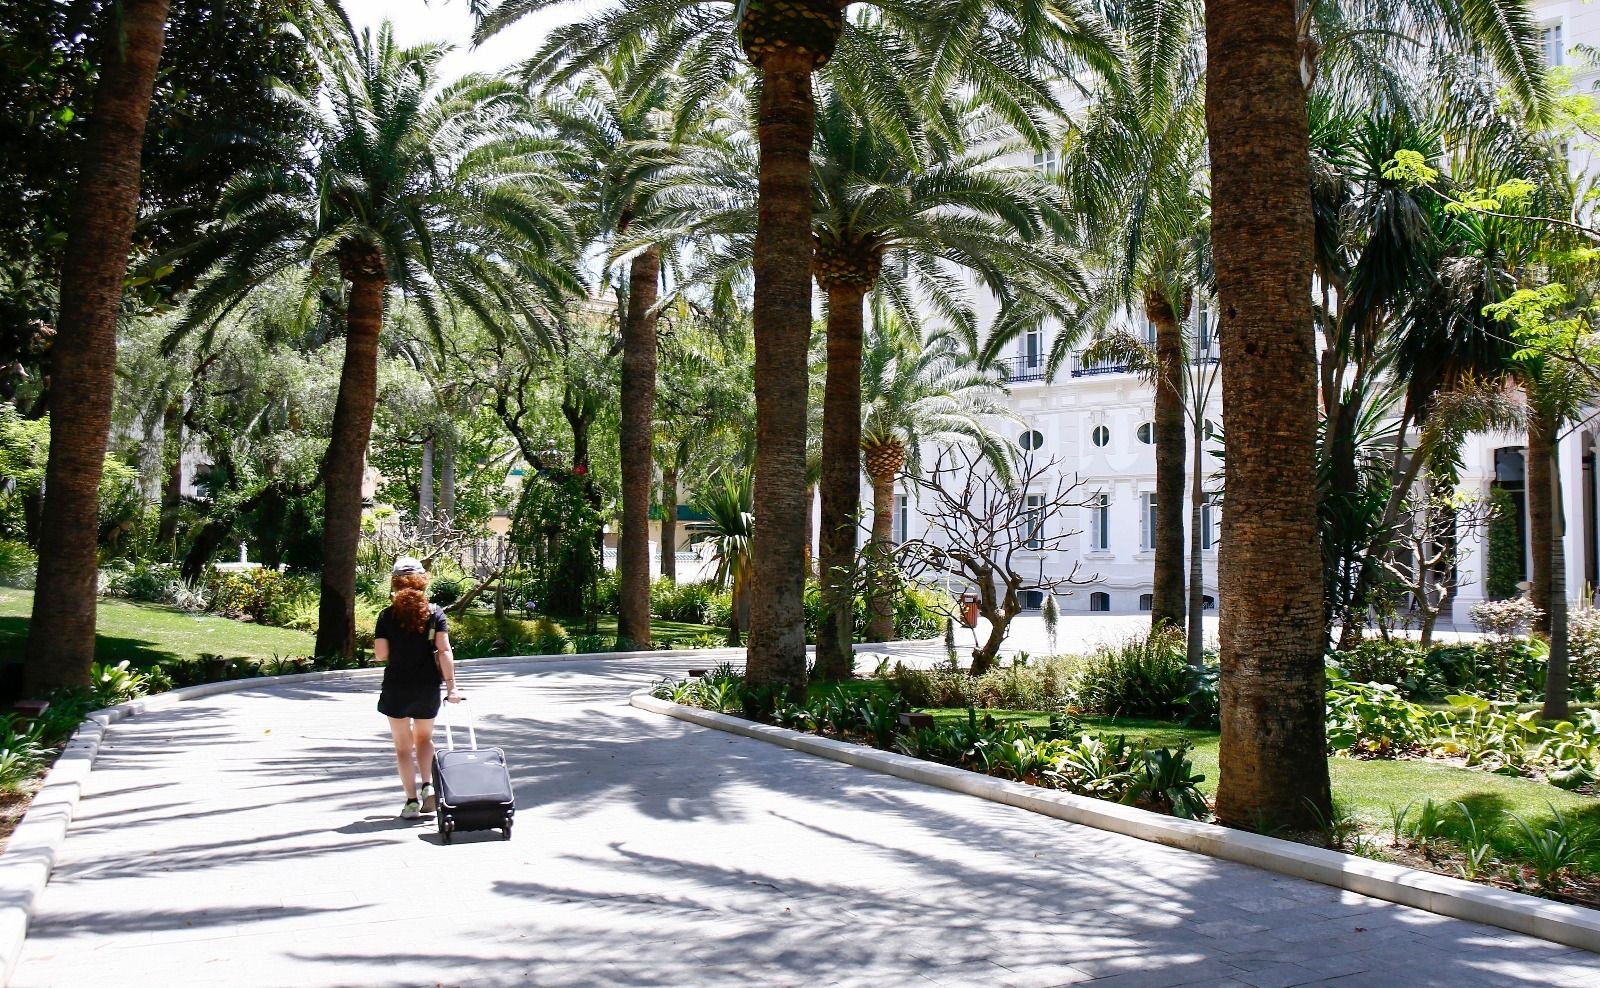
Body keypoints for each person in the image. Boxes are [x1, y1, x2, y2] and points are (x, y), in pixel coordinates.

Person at [373, 556, 461, 819]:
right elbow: (444, 651)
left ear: (395, 584)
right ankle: (428, 785)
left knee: (402, 746)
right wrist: (452, 688)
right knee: (424, 739)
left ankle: (411, 802)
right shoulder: (435, 613)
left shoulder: (387, 616)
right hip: (426, 687)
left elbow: (380, 654)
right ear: (423, 582)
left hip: (397, 687)